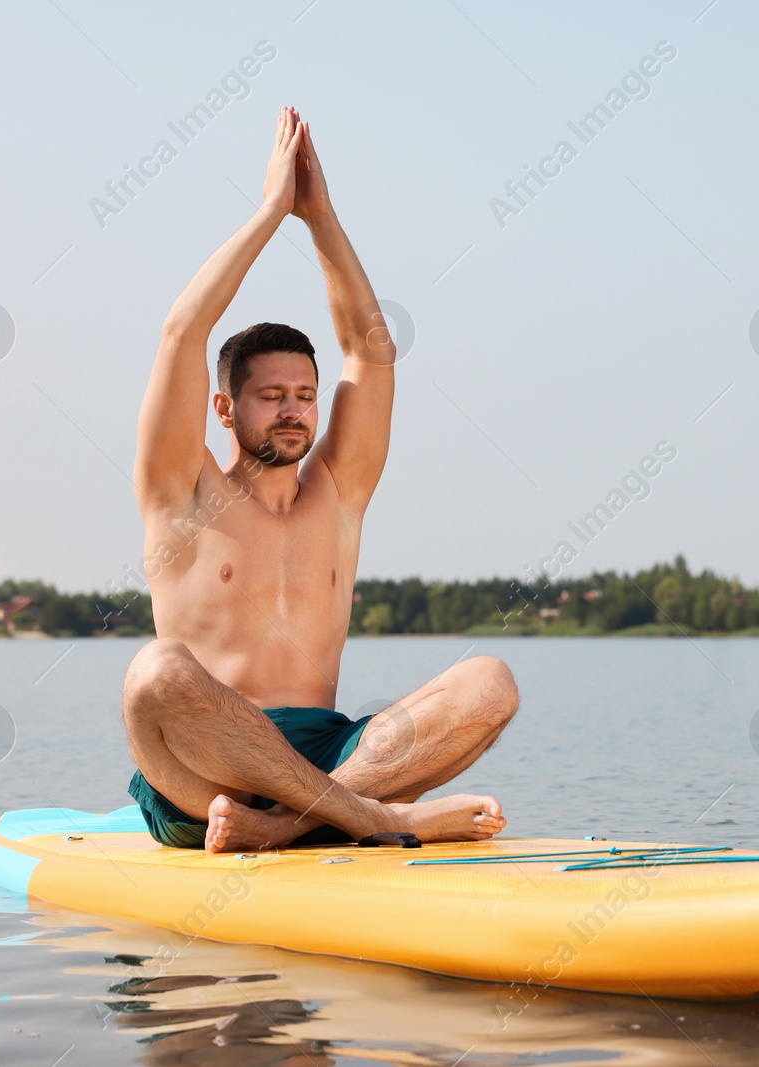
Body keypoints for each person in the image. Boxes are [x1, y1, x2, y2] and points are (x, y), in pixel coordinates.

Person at [120, 106, 516, 853]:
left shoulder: (338, 492)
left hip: (336, 757)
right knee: (152, 673)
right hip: (208, 776)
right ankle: (377, 821)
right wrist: (272, 211)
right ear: (224, 407)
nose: (294, 411)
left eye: (304, 395)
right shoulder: (183, 489)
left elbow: (370, 353)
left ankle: (286, 827)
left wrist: (322, 219)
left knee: (490, 681)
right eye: (272, 397)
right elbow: (182, 333)